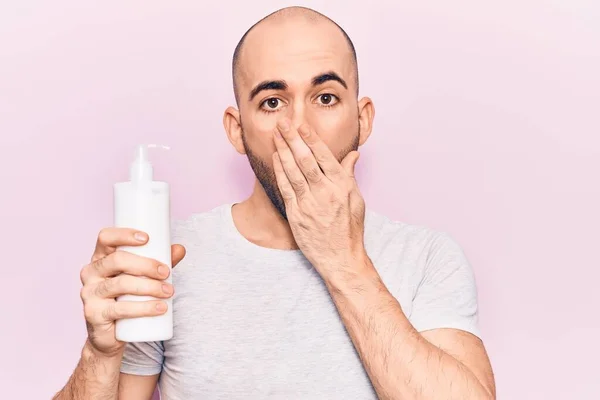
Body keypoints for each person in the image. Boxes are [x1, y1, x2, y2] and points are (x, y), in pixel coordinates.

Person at [54, 6, 495, 400]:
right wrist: (99, 353)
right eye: (272, 102)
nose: (300, 128)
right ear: (236, 129)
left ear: (362, 119)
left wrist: (343, 260)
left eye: (326, 98)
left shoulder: (428, 258)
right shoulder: (168, 260)